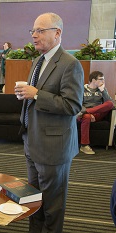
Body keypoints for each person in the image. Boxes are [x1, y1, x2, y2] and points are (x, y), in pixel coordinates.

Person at [14, 13, 84, 233]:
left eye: (40, 31)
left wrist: (36, 95)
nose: (34, 36)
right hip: (32, 141)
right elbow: (37, 95)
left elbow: (72, 105)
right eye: (33, 31)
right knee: (33, 201)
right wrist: (27, 95)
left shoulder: (70, 64)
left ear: (57, 33)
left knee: (53, 206)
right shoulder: (38, 60)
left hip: (54, 148)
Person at [78, 71, 114, 155]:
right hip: (86, 115)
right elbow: (78, 104)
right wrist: (88, 114)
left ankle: (87, 112)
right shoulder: (82, 89)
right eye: (101, 79)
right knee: (86, 117)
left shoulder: (102, 90)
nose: (103, 81)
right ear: (93, 80)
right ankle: (84, 145)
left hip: (97, 114)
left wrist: (103, 91)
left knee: (110, 103)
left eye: (103, 79)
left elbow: (110, 104)